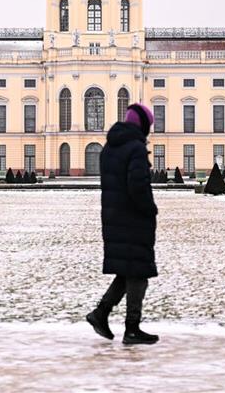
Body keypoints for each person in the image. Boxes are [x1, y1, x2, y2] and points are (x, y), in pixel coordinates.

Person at [86, 103, 159, 345]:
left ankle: (100, 313)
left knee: (128, 270)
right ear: (142, 125)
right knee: (139, 272)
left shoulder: (109, 148)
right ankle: (132, 329)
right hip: (133, 219)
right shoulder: (135, 148)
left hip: (114, 217)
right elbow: (138, 186)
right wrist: (150, 210)